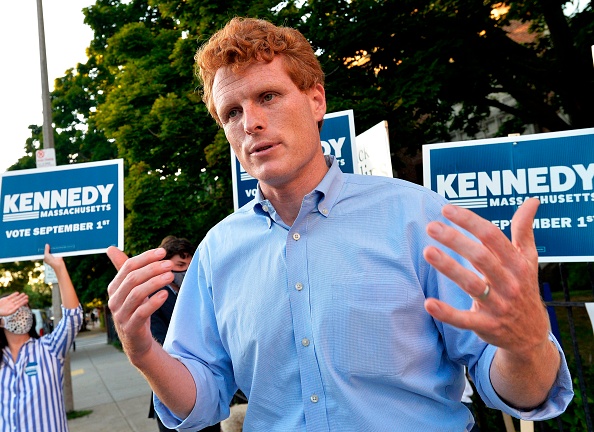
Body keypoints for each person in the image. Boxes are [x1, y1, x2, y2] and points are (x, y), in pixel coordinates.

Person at [106, 17, 573, 431]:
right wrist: (144, 351)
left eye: (268, 96)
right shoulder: (216, 252)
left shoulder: (419, 218)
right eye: (232, 112)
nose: (251, 122)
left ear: (315, 100)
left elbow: (522, 392)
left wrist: (527, 343)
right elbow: (203, 400)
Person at [0, 244, 83, 431]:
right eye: (12, 310)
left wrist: (59, 268)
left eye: (23, 309)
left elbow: (73, 318)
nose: (20, 314)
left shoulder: (49, 348)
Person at [147, 235, 220, 431]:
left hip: (208, 389)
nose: (185, 270)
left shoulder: (201, 292)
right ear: (164, 265)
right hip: (174, 388)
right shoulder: (155, 298)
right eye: (180, 264)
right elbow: (159, 343)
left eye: (189, 264)